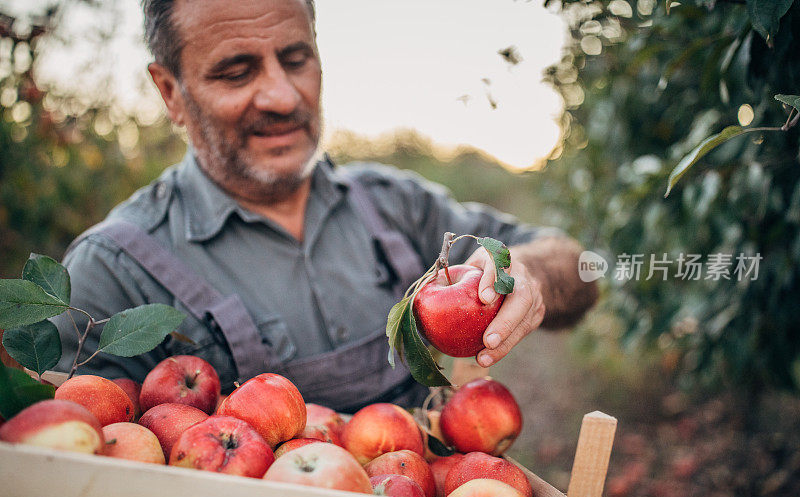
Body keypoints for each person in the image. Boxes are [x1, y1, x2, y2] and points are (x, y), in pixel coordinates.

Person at [53, 0, 598, 412]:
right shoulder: (112, 273)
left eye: (296, 59)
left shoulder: (393, 205)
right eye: (236, 72)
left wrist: (530, 274)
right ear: (170, 92)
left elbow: (585, 270)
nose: (284, 97)